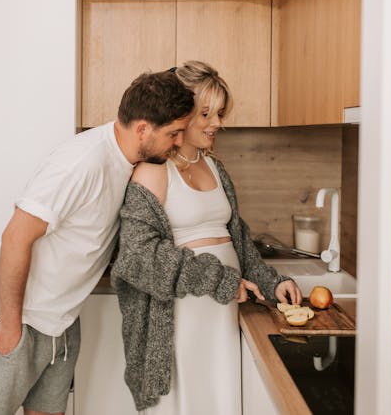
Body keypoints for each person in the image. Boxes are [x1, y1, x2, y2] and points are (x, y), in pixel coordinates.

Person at [0, 70, 196, 415]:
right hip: (16, 317)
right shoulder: (82, 162)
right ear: (143, 128)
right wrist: (10, 329)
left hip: (61, 319)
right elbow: (16, 237)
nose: (178, 143)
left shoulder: (128, 162)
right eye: (174, 133)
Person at [111, 60, 303, 414]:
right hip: (181, 318)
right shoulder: (154, 171)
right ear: (182, 114)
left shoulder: (215, 167)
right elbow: (138, 258)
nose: (217, 123)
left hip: (223, 313)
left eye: (219, 113)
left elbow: (239, 243)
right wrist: (219, 280)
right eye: (206, 113)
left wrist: (272, 283)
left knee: (218, 401)